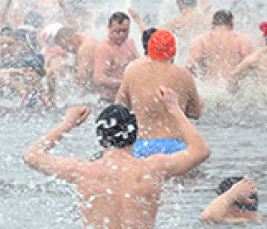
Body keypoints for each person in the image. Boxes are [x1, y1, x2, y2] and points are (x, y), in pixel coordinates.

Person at [22, 88, 210, 229]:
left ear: (100, 137)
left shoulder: (82, 171)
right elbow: (200, 151)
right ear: (135, 135)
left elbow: (31, 155)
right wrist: (174, 108)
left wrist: (67, 124)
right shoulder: (152, 169)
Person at [114, 29, 202, 157]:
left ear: (150, 50)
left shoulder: (133, 72)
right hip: (174, 146)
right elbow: (196, 113)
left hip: (141, 145)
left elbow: (119, 107)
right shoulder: (184, 75)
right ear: (173, 51)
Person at [186, 9, 255, 85]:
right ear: (232, 24)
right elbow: (252, 62)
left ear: (212, 24)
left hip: (209, 86)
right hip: (234, 86)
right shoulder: (242, 39)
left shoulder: (200, 40)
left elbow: (193, 61)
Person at [92, 12, 139, 102]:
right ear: (109, 28)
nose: (121, 35)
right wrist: (123, 83)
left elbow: (137, 64)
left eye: (125, 31)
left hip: (128, 99)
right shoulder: (104, 48)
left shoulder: (130, 42)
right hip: (110, 100)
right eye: (117, 31)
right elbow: (98, 78)